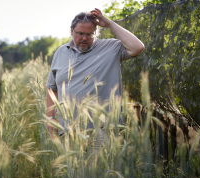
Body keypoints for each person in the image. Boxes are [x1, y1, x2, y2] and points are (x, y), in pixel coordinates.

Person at [46, 8, 144, 138]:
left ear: (96, 33)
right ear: (71, 31)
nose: (84, 38)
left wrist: (110, 24)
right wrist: (51, 119)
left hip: (103, 130)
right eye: (80, 33)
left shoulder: (111, 48)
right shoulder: (61, 52)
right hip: (69, 131)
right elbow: (52, 89)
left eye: (90, 34)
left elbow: (138, 47)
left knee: (101, 159)